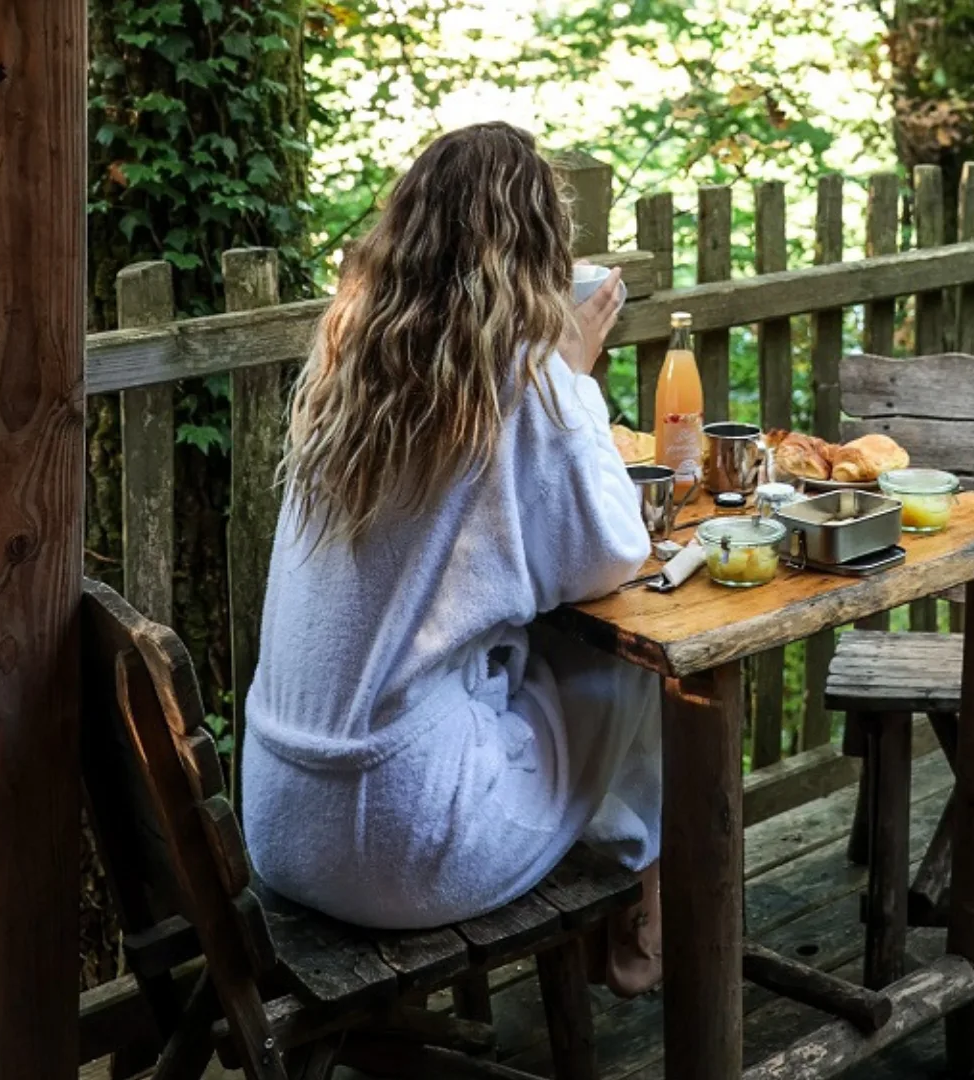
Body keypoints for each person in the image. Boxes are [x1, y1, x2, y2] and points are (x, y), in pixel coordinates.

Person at [240, 122, 662, 996]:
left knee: (538, 660)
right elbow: (615, 551)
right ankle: (640, 890)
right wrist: (575, 370)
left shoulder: (343, 372)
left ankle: (629, 890)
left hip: (281, 821)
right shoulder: (529, 378)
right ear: (541, 247)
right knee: (636, 667)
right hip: (405, 841)